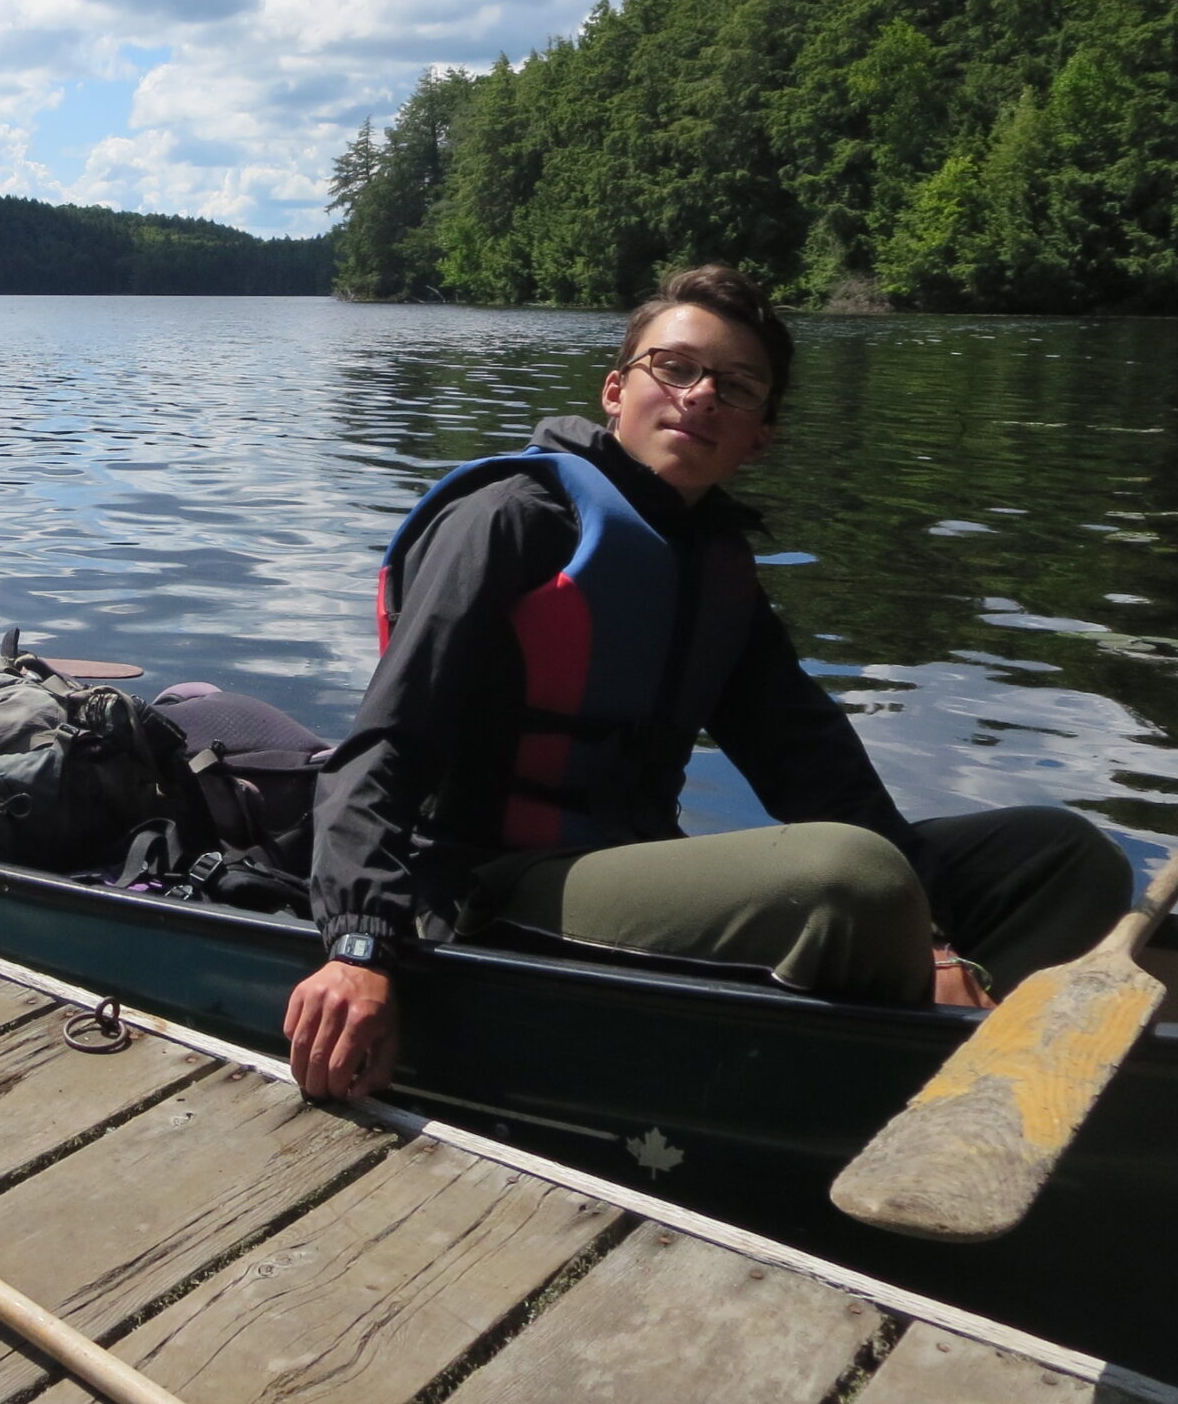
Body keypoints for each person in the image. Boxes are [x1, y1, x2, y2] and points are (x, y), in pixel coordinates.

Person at [285, 264, 1133, 1102]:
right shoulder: (512, 518)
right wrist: (360, 945)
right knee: (850, 878)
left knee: (1063, 858)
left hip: (633, 871)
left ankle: (973, 1053)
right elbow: (382, 747)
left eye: (736, 387)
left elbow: (814, 768)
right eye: (675, 367)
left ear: (761, 435)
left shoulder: (715, 568)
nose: (699, 397)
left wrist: (936, 927)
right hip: (486, 886)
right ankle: (915, 1060)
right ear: (616, 389)